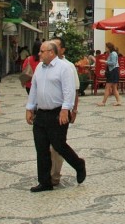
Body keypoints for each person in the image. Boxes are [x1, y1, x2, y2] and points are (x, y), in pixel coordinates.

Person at [25, 41, 86, 192]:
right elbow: (34, 88)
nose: (39, 53)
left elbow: (69, 90)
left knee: (59, 145)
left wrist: (66, 109)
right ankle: (45, 182)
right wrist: (29, 107)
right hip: (41, 113)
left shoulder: (64, 68)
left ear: (51, 53)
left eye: (42, 51)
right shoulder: (39, 67)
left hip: (57, 113)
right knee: (41, 148)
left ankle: (79, 164)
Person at [48, 37, 81, 187]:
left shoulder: (69, 66)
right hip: (45, 111)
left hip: (62, 110)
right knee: (45, 145)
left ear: (62, 50)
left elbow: (74, 90)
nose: (51, 49)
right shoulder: (44, 65)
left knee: (57, 145)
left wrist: (73, 110)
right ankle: (46, 175)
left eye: (55, 46)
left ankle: (54, 176)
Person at [98, 42, 122, 106]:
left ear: (109, 48)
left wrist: (104, 61)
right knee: (114, 88)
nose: (105, 48)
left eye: (106, 47)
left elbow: (113, 63)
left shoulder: (113, 54)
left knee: (107, 87)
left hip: (113, 71)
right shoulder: (111, 53)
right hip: (114, 71)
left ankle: (103, 102)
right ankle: (118, 101)